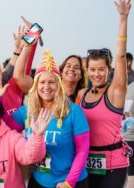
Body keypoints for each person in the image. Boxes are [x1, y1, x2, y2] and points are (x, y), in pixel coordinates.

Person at [13, 50, 90, 188]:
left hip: (70, 181)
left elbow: (83, 150)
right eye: (42, 82)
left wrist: (69, 183)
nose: (46, 87)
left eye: (51, 82)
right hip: (38, 181)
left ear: (58, 85)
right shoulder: (27, 111)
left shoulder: (74, 111)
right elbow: (2, 128)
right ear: (36, 86)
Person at [77, 1, 131, 187]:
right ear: (87, 70)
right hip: (86, 163)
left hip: (114, 165)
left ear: (109, 70)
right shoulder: (82, 94)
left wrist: (123, 18)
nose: (97, 74)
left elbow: (121, 55)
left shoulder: (116, 91)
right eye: (93, 69)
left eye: (101, 69)